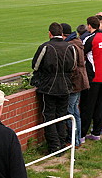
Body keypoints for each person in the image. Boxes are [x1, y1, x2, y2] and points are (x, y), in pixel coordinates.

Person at [30, 22, 76, 154]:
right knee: (61, 115)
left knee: (49, 115)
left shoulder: (46, 47)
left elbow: (35, 66)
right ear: (61, 34)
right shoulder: (70, 47)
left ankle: (54, 146)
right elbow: (73, 66)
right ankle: (61, 144)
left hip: (49, 86)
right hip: (66, 86)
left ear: (50, 33)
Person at [80, 16, 102, 142]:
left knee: (87, 106)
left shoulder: (90, 38)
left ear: (89, 26)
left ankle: (81, 135)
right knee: (99, 105)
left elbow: (82, 54)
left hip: (93, 77)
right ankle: (96, 132)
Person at [61, 23, 89, 148]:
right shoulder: (77, 42)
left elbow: (72, 67)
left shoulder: (71, 45)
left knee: (70, 111)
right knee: (75, 111)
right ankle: (77, 139)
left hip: (75, 83)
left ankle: (74, 140)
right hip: (80, 81)